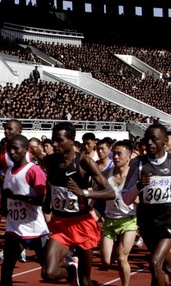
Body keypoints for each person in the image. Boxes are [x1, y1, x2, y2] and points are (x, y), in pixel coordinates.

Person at [122, 123, 171, 286]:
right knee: (167, 266)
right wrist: (138, 186)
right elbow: (126, 198)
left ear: (164, 141)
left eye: (154, 139)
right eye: (147, 139)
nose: (149, 143)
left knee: (155, 262)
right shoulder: (138, 164)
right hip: (147, 221)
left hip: (168, 218)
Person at [42, 122, 116, 286]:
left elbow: (110, 193)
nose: (55, 144)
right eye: (53, 139)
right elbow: (50, 182)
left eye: (59, 140)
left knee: (85, 281)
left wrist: (84, 193)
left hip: (82, 223)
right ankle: (70, 271)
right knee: (48, 273)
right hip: (61, 224)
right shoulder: (49, 161)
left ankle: (78, 274)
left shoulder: (84, 162)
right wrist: (47, 202)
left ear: (71, 140)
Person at [0, 135, 49, 286]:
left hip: (35, 228)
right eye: (9, 149)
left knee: (48, 271)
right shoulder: (8, 172)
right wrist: (4, 207)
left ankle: (70, 270)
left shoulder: (33, 171)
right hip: (14, 226)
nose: (11, 152)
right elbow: (8, 195)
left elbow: (42, 200)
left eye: (16, 149)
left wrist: (16, 197)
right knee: (6, 267)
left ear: (26, 150)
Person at [100, 140, 138, 286]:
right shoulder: (105, 175)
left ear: (129, 156)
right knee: (106, 261)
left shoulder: (135, 176)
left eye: (119, 154)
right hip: (110, 220)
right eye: (114, 154)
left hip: (129, 220)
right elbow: (95, 193)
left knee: (122, 258)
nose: (115, 157)